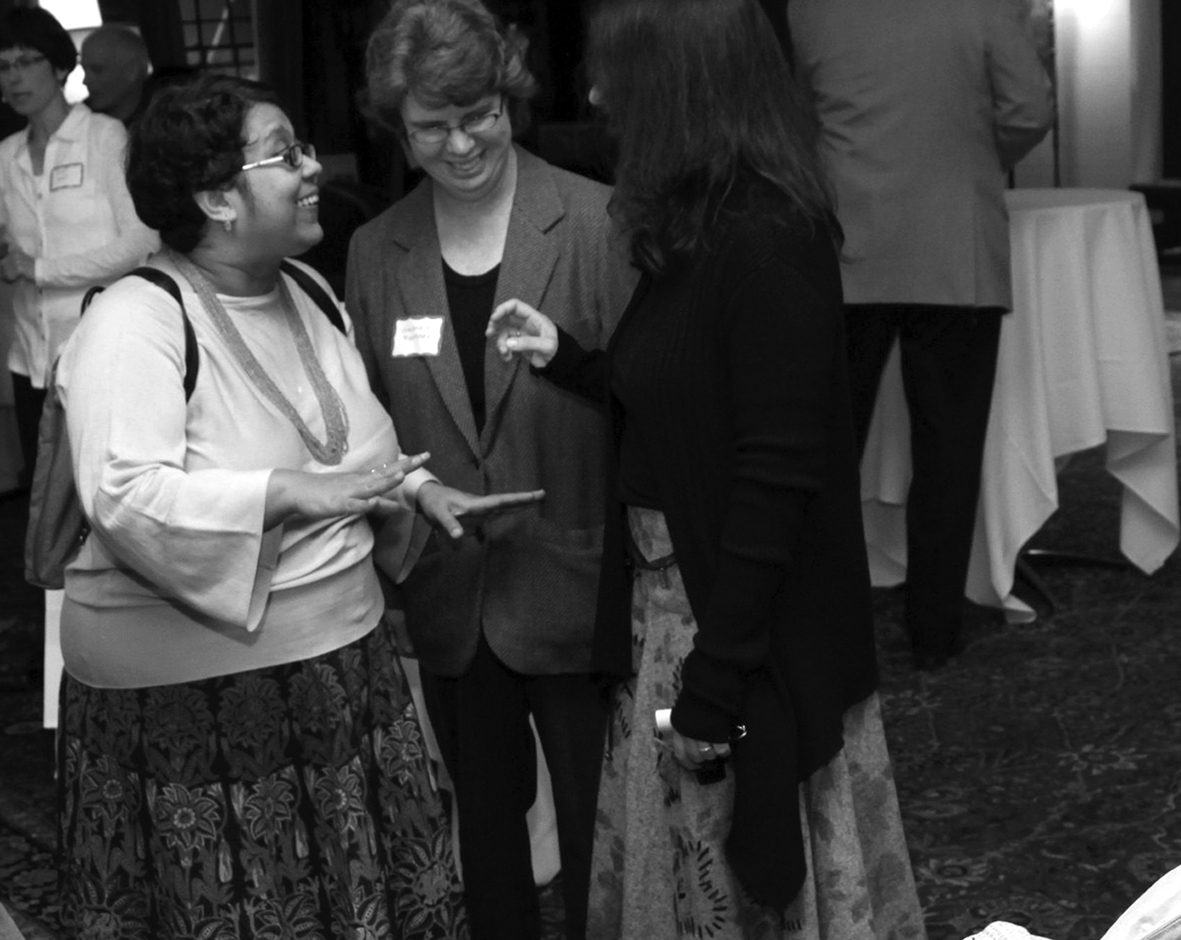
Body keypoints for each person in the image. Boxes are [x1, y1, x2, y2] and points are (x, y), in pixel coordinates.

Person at [54, 71, 539, 938]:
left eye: (304, 148)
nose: (313, 168)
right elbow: (125, 498)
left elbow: (354, 442)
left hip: (340, 670)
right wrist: (287, 494)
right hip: (191, 705)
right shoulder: (135, 320)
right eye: (285, 155)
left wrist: (421, 489)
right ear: (216, 197)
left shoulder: (306, 290)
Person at [487, 0, 927, 937]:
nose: (599, 95)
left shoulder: (770, 238)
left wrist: (717, 682)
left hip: (734, 629)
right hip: (675, 616)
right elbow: (693, 408)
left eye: (618, 75)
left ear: (679, 91)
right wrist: (568, 357)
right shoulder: (700, 223)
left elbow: (774, 482)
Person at [346, 2, 636, 937]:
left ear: (509, 98)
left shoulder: (598, 220)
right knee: (487, 841)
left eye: (481, 114)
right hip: (452, 586)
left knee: (604, 828)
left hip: (578, 574)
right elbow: (367, 422)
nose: (464, 142)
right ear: (399, 127)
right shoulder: (375, 250)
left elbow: (649, 397)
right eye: (434, 126)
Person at [789, 0, 1055, 669]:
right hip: (953, 246)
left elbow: (798, 120)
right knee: (949, 453)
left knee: (825, 451)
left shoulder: (808, 8)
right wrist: (970, 158)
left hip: (848, 247)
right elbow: (1028, 110)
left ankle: (816, 620)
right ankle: (935, 633)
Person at [0, 7, 157, 490]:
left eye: (26, 61)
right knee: (47, 508)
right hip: (30, 357)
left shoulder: (104, 136)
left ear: (61, 67)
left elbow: (141, 242)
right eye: (3, 67)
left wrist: (39, 268)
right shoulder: (5, 154)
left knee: (108, 500)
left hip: (99, 350)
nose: (13, 77)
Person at [81, 24, 150, 127]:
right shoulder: (80, 120)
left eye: (97, 70)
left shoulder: (166, 119)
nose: (85, 81)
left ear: (132, 70)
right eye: (84, 70)